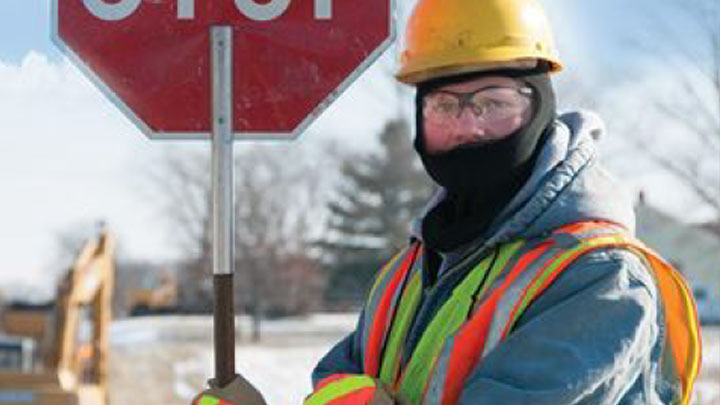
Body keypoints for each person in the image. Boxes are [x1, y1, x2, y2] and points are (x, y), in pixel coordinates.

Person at [194, 0, 701, 404]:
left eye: (494, 102)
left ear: (541, 107)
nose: (467, 126)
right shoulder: (416, 264)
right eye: (444, 106)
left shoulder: (598, 276)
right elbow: (338, 378)